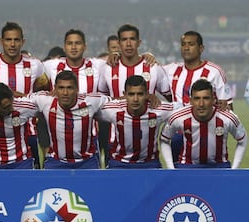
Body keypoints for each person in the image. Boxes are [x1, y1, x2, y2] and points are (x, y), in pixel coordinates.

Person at [0, 21, 50, 169]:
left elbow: (43, 93)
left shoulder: (35, 65)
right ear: (1, 41)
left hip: (27, 130)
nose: (12, 44)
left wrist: (20, 97)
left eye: (16, 40)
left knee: (31, 179)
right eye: (8, 40)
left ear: (22, 42)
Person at [163, 30, 232, 162]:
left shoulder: (215, 72)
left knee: (209, 177)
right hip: (179, 137)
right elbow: (148, 68)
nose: (186, 47)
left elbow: (227, 108)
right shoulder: (171, 70)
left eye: (191, 44)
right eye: (183, 44)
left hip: (207, 136)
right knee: (179, 178)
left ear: (201, 48)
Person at [30, 70, 111, 169]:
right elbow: (18, 102)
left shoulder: (91, 101)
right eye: (61, 88)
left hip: (87, 163)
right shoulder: (44, 101)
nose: (65, 93)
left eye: (69, 88)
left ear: (77, 89)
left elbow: (119, 103)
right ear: (55, 89)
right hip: (56, 162)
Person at [160, 79, 247, 169]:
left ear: (213, 100)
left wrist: (234, 168)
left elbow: (242, 140)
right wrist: (171, 167)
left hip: (219, 166)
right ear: (191, 101)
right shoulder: (178, 117)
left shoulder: (227, 118)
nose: (201, 104)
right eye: (197, 98)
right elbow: (164, 139)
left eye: (206, 98)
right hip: (187, 166)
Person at [97, 75, 176, 168]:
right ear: (124, 95)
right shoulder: (113, 109)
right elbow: (91, 109)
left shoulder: (158, 109)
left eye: (140, 94)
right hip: (119, 163)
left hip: (150, 163)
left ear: (147, 94)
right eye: (131, 94)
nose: (135, 99)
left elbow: (183, 109)